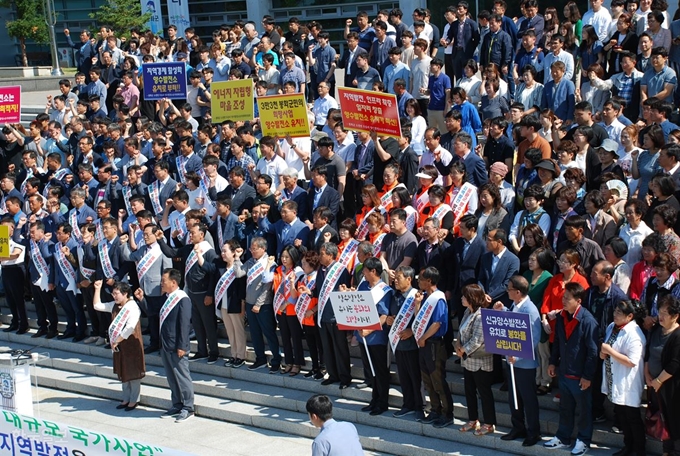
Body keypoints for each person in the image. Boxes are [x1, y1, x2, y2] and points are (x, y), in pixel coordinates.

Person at [545, 282, 599, 456]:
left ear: (578, 301)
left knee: (584, 410)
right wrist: (553, 362)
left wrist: (587, 376)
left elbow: (593, 352)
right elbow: (558, 342)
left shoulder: (588, 321)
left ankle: (583, 440)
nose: (564, 301)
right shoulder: (561, 317)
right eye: (563, 297)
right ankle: (563, 436)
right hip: (564, 371)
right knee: (565, 407)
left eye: (567, 298)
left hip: (580, 375)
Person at [493, 276, 542, 447]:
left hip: (524, 364)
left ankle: (534, 432)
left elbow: (534, 337)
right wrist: (503, 310)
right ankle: (518, 427)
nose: (507, 292)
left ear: (518, 292)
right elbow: (514, 323)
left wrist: (519, 356)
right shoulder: (517, 305)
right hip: (512, 360)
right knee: (514, 398)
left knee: (528, 399)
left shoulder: (530, 310)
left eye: (509, 289)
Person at [600, 299, 647, 456]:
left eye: (619, 313)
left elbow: (632, 361)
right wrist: (603, 352)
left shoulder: (635, 334)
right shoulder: (612, 327)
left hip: (628, 382)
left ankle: (638, 450)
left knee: (632, 418)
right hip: (614, 379)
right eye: (615, 311)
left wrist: (610, 351)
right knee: (621, 416)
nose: (615, 314)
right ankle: (628, 446)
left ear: (630, 316)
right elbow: (605, 348)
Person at [93, 280, 145, 411]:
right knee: (123, 371)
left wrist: (118, 340)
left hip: (131, 344)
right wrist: (97, 289)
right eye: (113, 294)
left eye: (116, 294)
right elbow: (97, 306)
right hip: (119, 345)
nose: (114, 296)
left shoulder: (132, 306)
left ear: (125, 293)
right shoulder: (114, 305)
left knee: (133, 372)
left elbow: (130, 327)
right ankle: (126, 398)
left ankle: (134, 399)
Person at [234, 237, 280, 372]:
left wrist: (259, 303)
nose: (252, 251)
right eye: (251, 249)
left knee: (269, 333)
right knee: (255, 333)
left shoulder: (269, 263)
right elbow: (238, 273)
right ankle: (260, 358)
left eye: (255, 249)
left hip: (263, 305)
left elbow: (267, 286)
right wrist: (237, 258)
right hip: (250, 302)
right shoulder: (250, 261)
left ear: (263, 248)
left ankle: (276, 359)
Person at [414, 267, 453, 427]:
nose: (418, 282)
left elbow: (438, 324)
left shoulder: (438, 298)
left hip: (434, 343)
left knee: (437, 379)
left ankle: (447, 413)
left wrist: (424, 337)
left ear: (429, 281)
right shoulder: (424, 297)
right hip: (423, 343)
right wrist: (417, 305)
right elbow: (418, 319)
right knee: (427, 379)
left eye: (421, 279)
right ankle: (435, 409)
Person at [457, 284, 497, 437]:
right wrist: (458, 344)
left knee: (484, 392)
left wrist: (462, 349)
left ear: (471, 298)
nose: (461, 299)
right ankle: (473, 419)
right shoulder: (468, 311)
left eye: (464, 296)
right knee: (469, 391)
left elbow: (477, 340)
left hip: (480, 362)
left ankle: (489, 423)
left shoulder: (481, 316)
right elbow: (461, 330)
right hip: (467, 361)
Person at [156, 268, 195, 422]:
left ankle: (188, 407)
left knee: (182, 377)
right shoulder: (166, 297)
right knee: (171, 377)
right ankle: (177, 404)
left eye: (164, 280)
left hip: (176, 345)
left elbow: (184, 325)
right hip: (165, 344)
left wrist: (182, 346)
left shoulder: (182, 299)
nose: (161, 283)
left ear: (173, 282)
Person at [646, 295, 680, 456]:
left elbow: (675, 363)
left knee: (673, 419)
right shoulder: (656, 330)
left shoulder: (678, 335)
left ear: (675, 316)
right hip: (654, 384)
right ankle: (666, 451)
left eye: (665, 313)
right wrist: (647, 375)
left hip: (671, 387)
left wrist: (659, 380)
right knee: (663, 419)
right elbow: (648, 354)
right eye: (660, 312)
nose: (661, 316)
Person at [388, 266, 423, 417]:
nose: (395, 280)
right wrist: (389, 319)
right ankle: (407, 404)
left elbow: (423, 320)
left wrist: (412, 331)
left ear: (409, 279)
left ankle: (420, 407)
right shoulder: (394, 295)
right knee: (403, 376)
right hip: (398, 343)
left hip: (413, 344)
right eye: (395, 277)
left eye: (399, 278)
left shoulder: (417, 296)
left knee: (416, 377)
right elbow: (391, 314)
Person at [211, 240, 247, 368]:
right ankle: (234, 354)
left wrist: (243, 306)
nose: (222, 254)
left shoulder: (239, 267)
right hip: (224, 304)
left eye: (225, 251)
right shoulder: (221, 268)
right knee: (230, 331)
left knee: (238, 331)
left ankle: (241, 356)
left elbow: (242, 289)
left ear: (233, 253)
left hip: (235, 304)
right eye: (222, 251)